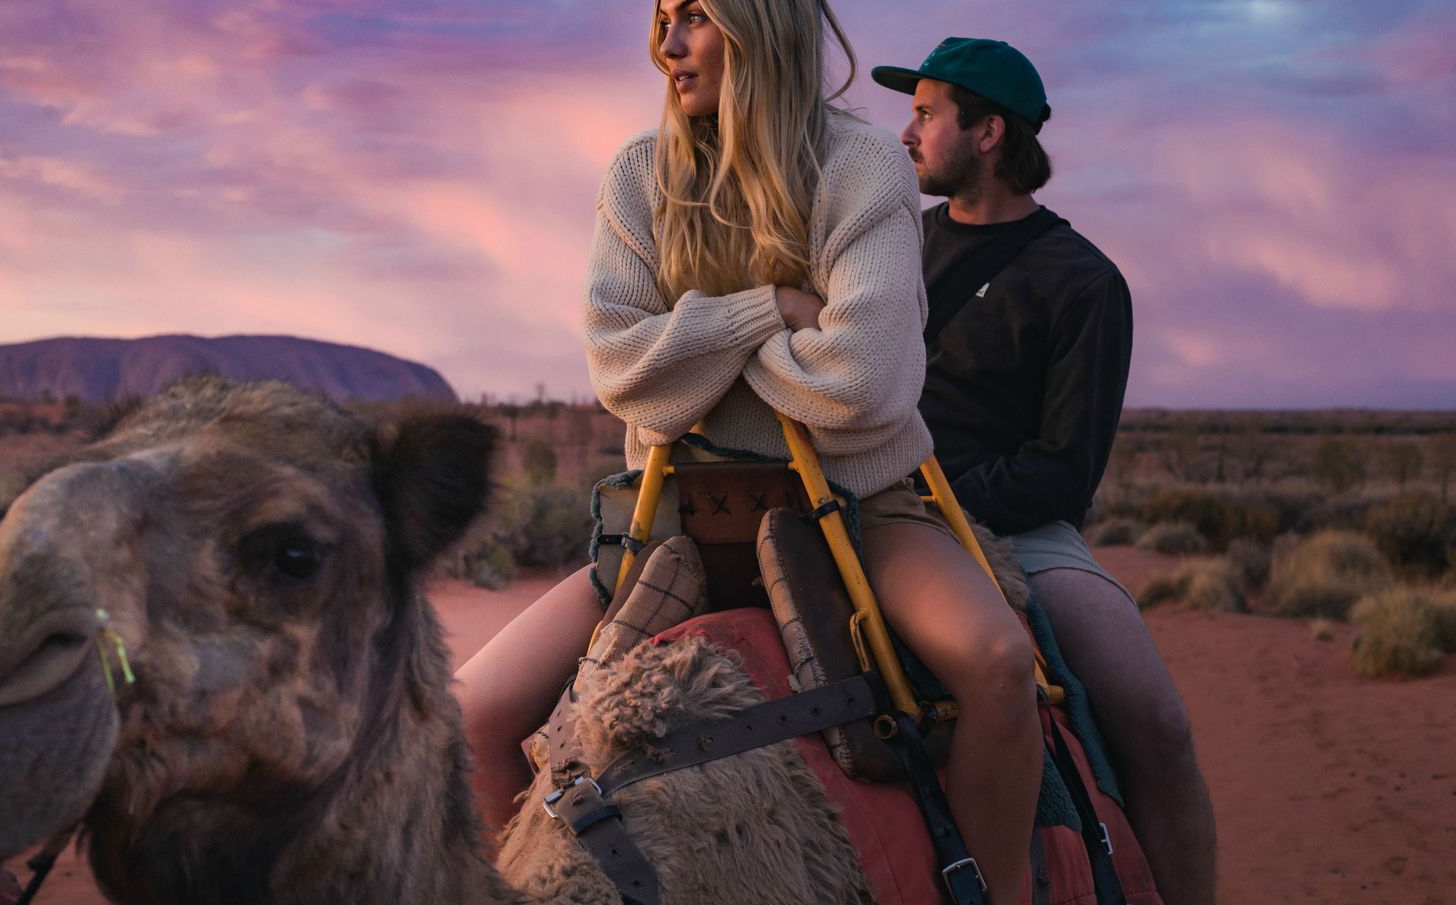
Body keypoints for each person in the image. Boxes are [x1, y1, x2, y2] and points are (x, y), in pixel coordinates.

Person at [455, 3, 1042, 901]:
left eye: (695, 16)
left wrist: (692, 354)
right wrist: (769, 310)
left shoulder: (862, 164)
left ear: (760, 22)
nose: (667, 45)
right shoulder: (640, 173)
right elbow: (621, 369)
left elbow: (862, 381)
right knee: (471, 716)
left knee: (997, 664)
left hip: (853, 511)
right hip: (671, 522)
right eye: (661, 17)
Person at [871, 37, 1218, 904]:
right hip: (864, 506)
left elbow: (1063, 471)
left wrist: (938, 504)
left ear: (989, 133)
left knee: (1159, 725)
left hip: (1018, 533)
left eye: (925, 114)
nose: (906, 134)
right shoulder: (890, 248)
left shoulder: (1083, 281)